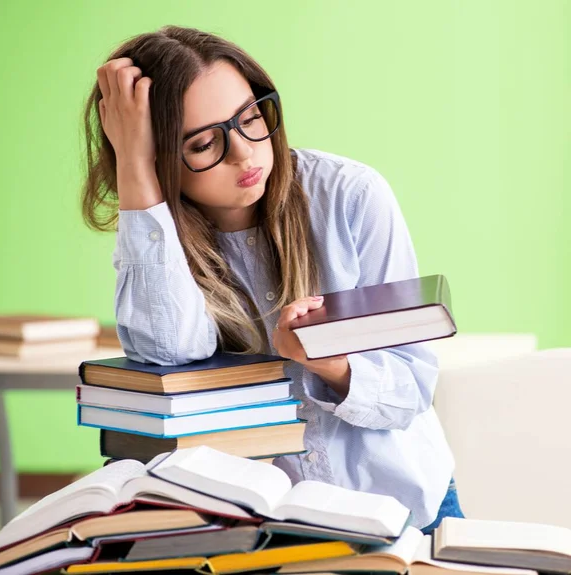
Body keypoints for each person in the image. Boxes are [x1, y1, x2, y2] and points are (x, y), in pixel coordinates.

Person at [81, 24, 464, 532]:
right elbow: (169, 355)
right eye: (202, 144)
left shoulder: (350, 196)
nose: (244, 153)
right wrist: (134, 169)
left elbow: (411, 387)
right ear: (160, 159)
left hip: (405, 512)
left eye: (250, 118)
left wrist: (336, 367)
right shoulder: (156, 239)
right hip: (258, 527)